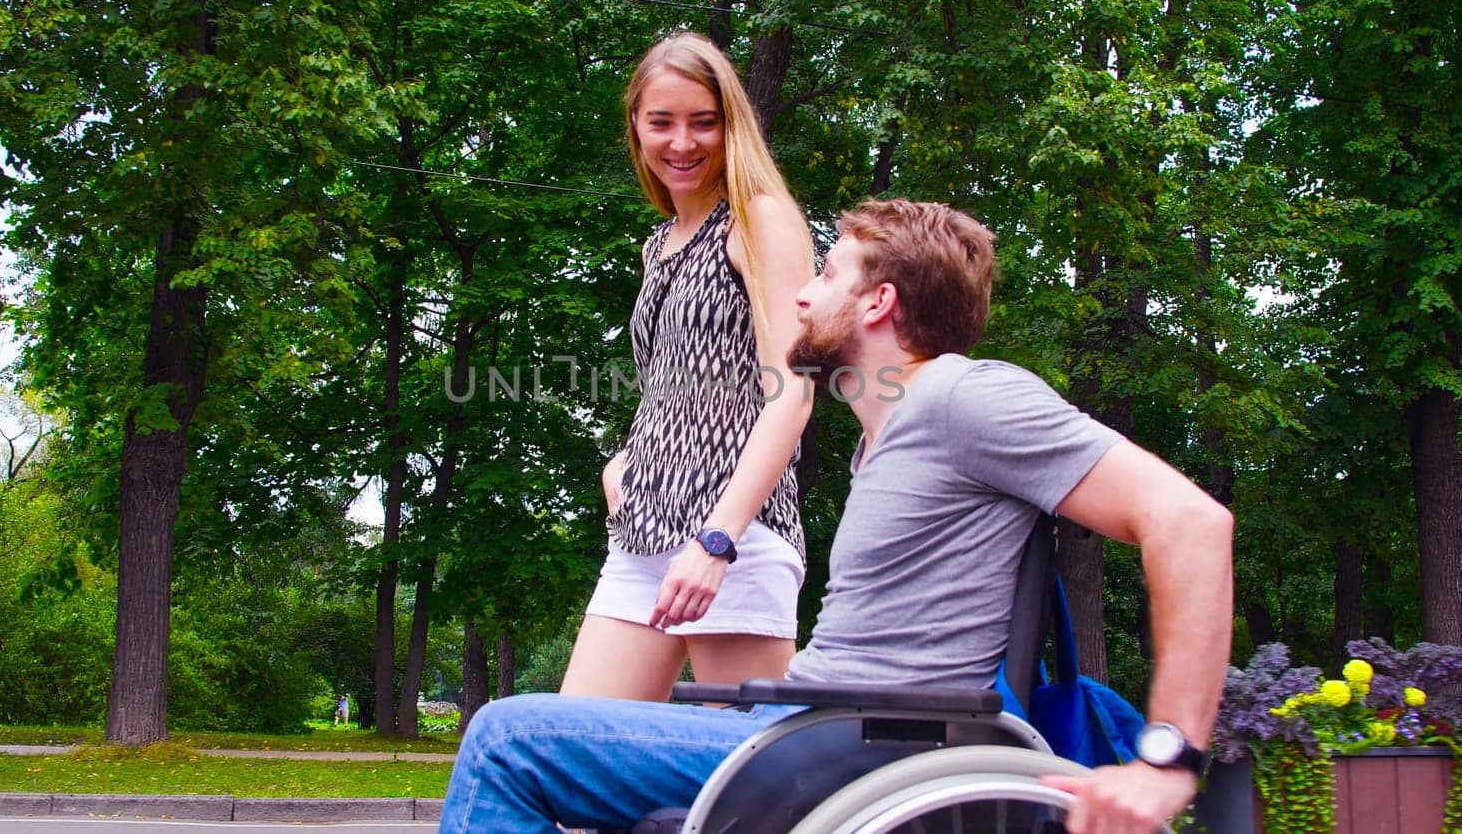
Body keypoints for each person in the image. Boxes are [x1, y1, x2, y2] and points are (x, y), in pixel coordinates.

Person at [441, 199, 1234, 834]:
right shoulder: (892, 433)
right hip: (815, 726)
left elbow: (1193, 522)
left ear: (879, 301)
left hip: (845, 746)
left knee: (505, 742)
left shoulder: (963, 394)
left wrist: (1167, 760)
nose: (801, 293)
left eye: (826, 274)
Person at [561, 32, 816, 701]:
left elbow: (792, 395)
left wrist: (716, 541)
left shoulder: (761, 219)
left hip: (735, 538)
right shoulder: (659, 244)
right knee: (577, 760)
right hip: (643, 535)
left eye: (704, 121)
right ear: (637, 127)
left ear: (731, 124)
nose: (682, 141)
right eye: (662, 121)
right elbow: (669, 388)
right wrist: (619, 464)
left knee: (753, 784)